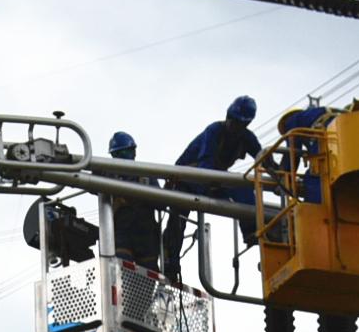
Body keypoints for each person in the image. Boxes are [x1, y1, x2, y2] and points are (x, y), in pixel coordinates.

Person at [168, 96, 261, 274]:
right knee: (177, 222)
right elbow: (205, 165)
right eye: (234, 122)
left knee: (244, 186)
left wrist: (277, 173)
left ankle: (250, 231)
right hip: (188, 179)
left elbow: (262, 157)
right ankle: (170, 260)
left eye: (240, 124)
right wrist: (213, 183)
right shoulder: (214, 131)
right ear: (228, 117)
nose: (235, 127)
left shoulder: (246, 138)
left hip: (212, 179)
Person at [100, 133, 161, 286]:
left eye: (123, 153)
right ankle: (123, 305)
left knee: (147, 280)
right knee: (122, 274)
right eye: (117, 154)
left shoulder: (145, 175)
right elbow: (89, 182)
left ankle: (139, 307)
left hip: (145, 236)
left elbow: (162, 202)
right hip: (122, 235)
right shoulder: (108, 174)